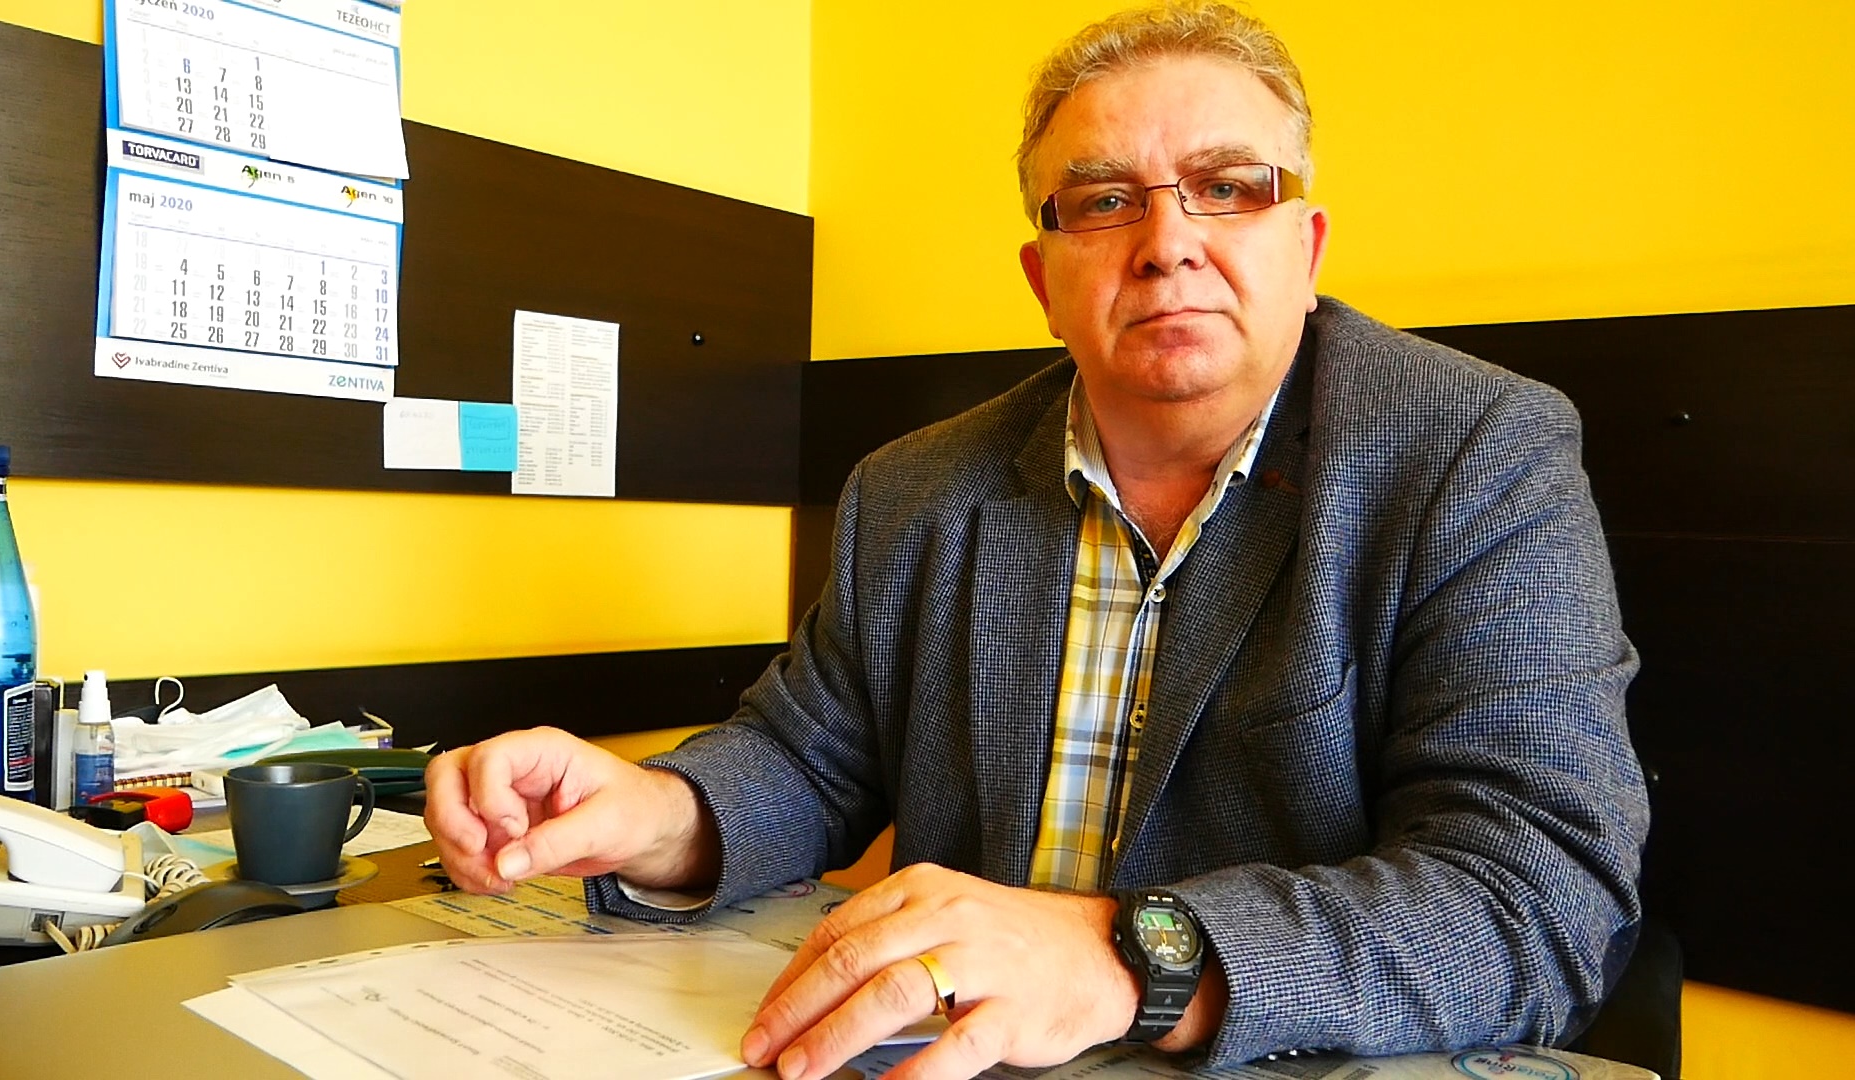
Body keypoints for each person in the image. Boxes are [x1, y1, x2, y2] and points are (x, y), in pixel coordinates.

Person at [425, 3, 1650, 1077]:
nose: (1167, 243)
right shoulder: (912, 490)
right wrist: (660, 813)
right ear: (1043, 278)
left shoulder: (1477, 454)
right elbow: (808, 760)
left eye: (1230, 187)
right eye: (1106, 201)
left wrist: (1123, 956)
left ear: (1308, 245)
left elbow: (1532, 894)